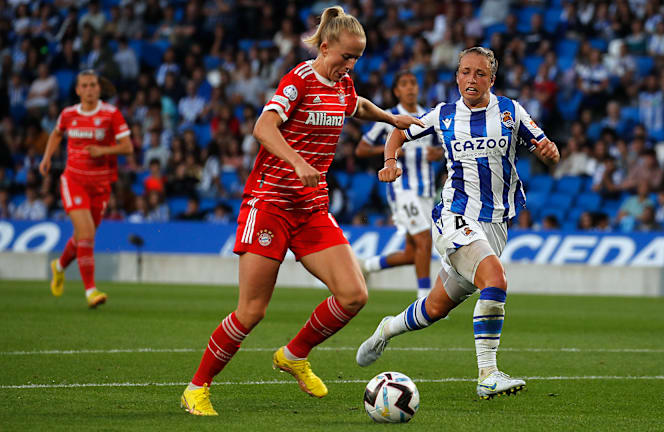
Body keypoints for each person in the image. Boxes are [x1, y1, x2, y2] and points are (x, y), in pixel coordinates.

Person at [180, 6, 423, 416]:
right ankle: (196, 388)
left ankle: (293, 354)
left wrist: (389, 117)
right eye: (345, 56)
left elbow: (356, 104)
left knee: (353, 295)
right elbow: (263, 127)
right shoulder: (299, 80)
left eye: (356, 59)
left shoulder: (342, 85)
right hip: (270, 205)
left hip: (311, 209)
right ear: (324, 46)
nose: (350, 65)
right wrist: (296, 161)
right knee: (252, 311)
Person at [356, 47, 560, 399]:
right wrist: (390, 160)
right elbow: (399, 133)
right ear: (457, 76)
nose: (472, 79)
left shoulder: (512, 112)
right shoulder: (443, 115)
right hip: (455, 214)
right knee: (495, 280)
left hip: (496, 223)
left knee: (435, 307)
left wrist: (549, 151)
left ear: (491, 80)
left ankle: (386, 330)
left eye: (480, 73)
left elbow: (542, 143)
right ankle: (488, 374)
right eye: (465, 71)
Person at [38, 70, 132, 308]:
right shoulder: (68, 114)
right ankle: (90, 290)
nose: (89, 89)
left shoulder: (111, 114)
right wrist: (47, 157)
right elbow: (56, 134)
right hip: (73, 181)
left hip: (100, 185)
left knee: (82, 236)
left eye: (93, 85)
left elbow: (127, 147)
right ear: (78, 90)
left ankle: (58, 266)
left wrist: (104, 151)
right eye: (85, 86)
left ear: (99, 89)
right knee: (87, 234)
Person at [355, 70, 444, 298]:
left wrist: (438, 154)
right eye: (404, 84)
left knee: (411, 252)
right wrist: (392, 152)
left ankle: (365, 266)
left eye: (413, 83)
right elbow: (361, 149)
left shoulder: (427, 116)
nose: (410, 87)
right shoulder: (388, 117)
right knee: (424, 239)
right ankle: (424, 299)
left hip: (425, 189)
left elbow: (441, 148)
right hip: (401, 189)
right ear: (396, 91)